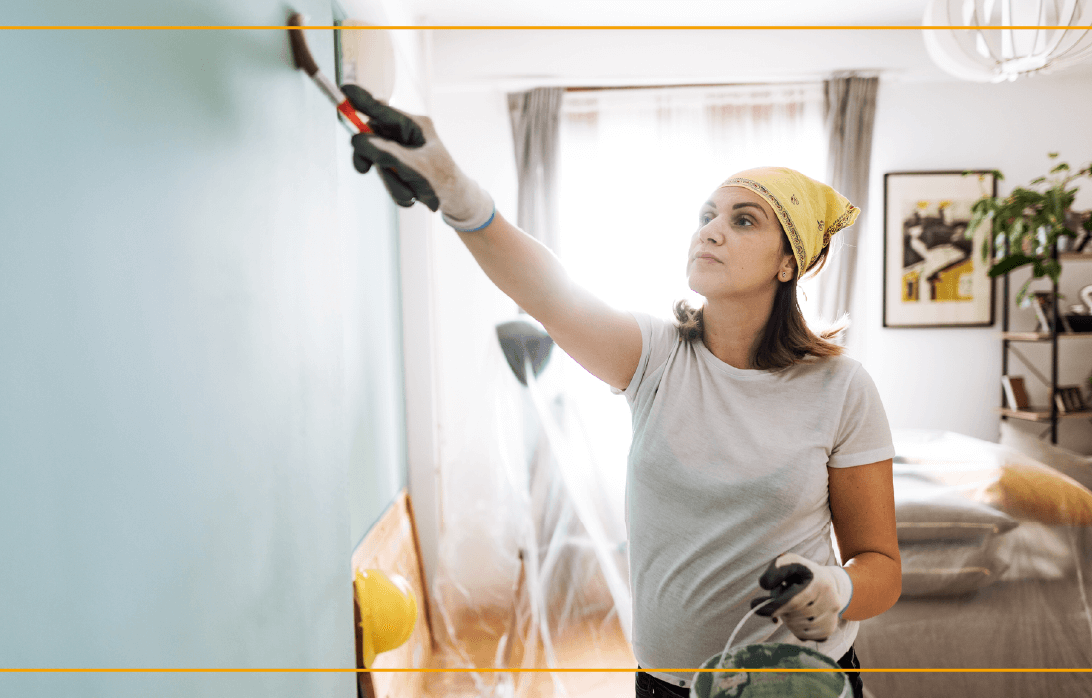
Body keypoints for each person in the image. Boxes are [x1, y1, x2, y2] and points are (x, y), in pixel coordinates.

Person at [341, 84, 901, 698]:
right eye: (707, 216)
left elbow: (881, 565)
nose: (710, 231)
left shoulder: (839, 387)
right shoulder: (656, 356)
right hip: (668, 681)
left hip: (799, 681)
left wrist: (836, 589)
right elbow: (547, 291)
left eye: (743, 221)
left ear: (787, 263)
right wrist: (456, 190)